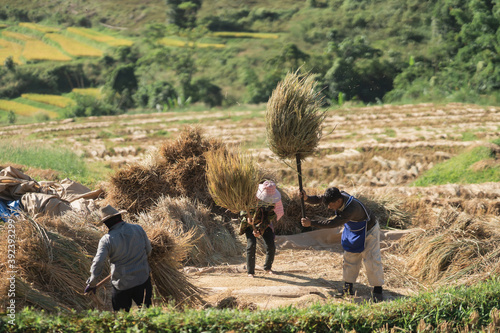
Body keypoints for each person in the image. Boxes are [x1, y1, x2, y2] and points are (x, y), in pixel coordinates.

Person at [299, 187, 384, 302]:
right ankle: (348, 288)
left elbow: (333, 223)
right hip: (353, 229)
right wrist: (307, 198)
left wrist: (311, 223)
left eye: (330, 205)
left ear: (338, 202)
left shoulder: (351, 209)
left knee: (371, 259)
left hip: (369, 230)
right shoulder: (337, 196)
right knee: (349, 256)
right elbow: (320, 199)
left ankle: (378, 290)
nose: (328, 207)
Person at [84, 205, 153, 312]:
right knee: (147, 314)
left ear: (106, 223)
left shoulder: (106, 240)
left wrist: (92, 282)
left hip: (122, 284)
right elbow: (148, 250)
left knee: (122, 319)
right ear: (120, 216)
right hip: (142, 279)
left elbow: (98, 262)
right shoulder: (138, 229)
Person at [239, 180, 284, 277]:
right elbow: (243, 210)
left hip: (264, 224)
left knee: (271, 245)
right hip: (249, 224)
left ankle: (268, 267)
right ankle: (250, 272)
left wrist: (260, 230)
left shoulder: (273, 202)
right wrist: (247, 218)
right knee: (251, 245)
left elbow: (268, 219)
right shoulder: (251, 197)